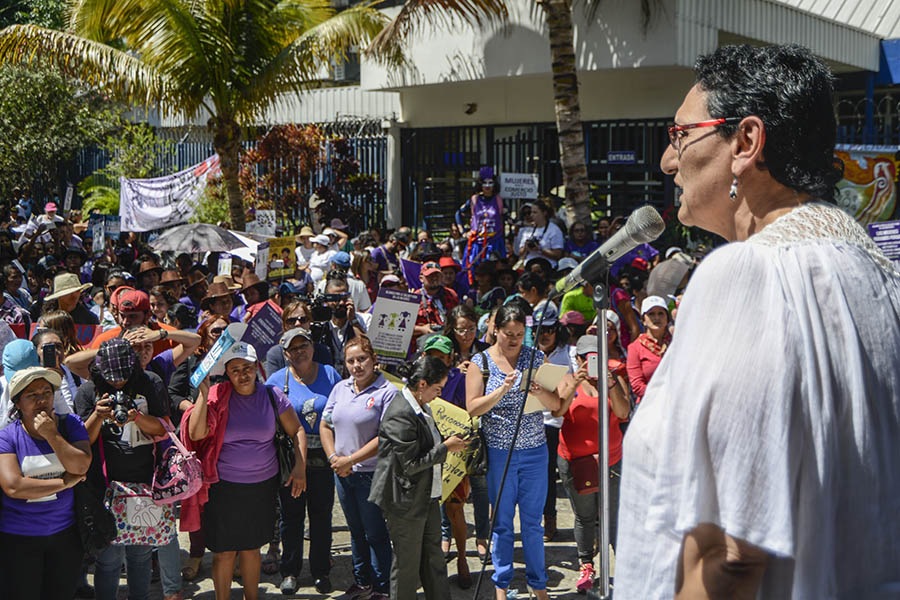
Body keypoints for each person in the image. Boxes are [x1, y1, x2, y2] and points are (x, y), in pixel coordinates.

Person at [615, 44, 900, 599]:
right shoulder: (883, 277)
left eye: (680, 136)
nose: (668, 162)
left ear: (745, 142)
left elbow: (730, 556)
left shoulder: (747, 276)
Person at [183, 342, 307, 600]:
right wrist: (204, 395)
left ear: (257, 368)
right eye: (235, 369)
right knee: (224, 551)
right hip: (224, 487)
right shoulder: (218, 395)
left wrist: (300, 466)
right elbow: (195, 433)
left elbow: (296, 430)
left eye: (248, 368)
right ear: (227, 372)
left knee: (252, 549)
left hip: (262, 486)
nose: (243, 374)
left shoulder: (272, 395)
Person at [465, 303, 562, 599]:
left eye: (520, 334)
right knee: (503, 523)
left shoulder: (535, 357)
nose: (514, 339)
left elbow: (556, 405)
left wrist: (538, 390)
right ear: (496, 330)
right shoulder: (479, 361)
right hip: (499, 452)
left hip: (535, 451)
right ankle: (501, 584)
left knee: (533, 524)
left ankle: (538, 585)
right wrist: (501, 391)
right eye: (508, 333)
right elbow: (472, 408)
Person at [73, 338, 169, 600]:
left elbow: (163, 429)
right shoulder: (88, 392)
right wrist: (97, 415)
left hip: (144, 483)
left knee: (140, 556)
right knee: (108, 558)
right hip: (104, 488)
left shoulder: (150, 382)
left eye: (123, 376)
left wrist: (136, 416)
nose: (118, 383)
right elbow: (82, 440)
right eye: (112, 378)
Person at [370, 355, 468, 600]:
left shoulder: (421, 405)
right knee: (407, 566)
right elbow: (411, 463)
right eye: (438, 388)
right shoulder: (400, 412)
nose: (440, 394)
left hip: (426, 495)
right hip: (404, 500)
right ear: (422, 384)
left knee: (434, 558)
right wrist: (446, 448)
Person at [0, 366, 91, 600]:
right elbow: (13, 486)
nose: (42, 400)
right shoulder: (7, 437)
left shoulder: (70, 425)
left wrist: (53, 435)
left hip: (64, 536)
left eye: (46, 392)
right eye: (32, 395)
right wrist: (64, 483)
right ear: (18, 403)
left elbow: (81, 466)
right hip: (19, 538)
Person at [266, 327, 342, 595]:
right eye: (293, 348)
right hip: (290, 458)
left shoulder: (330, 374)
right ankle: (290, 571)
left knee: (321, 515)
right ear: (285, 353)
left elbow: (340, 410)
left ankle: (321, 570)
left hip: (323, 455)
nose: (300, 352)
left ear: (312, 347)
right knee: (291, 516)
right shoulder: (275, 380)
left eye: (304, 346)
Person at [552, 335, 630, 593]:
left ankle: (626, 566)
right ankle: (586, 564)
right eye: (586, 357)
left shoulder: (614, 378)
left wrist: (610, 384)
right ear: (578, 358)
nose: (591, 362)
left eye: (596, 356)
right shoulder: (567, 380)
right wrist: (575, 381)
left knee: (614, 517)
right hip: (577, 462)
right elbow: (558, 412)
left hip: (612, 460)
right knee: (585, 517)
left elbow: (622, 413)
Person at [321, 336, 394, 600]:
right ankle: (362, 582)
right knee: (355, 531)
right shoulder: (340, 388)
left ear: (374, 359)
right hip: (342, 473)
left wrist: (349, 461)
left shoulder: (387, 390)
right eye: (351, 360)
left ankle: (382, 587)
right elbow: (325, 424)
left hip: (369, 473)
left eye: (361, 359)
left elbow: (385, 436)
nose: (356, 365)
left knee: (375, 532)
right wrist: (334, 459)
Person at [625, 296, 670, 405]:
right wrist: (662, 396)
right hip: (649, 405)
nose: (656, 318)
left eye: (660, 313)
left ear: (667, 319)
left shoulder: (676, 343)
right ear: (643, 320)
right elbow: (637, 385)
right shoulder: (635, 348)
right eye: (651, 314)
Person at [514, 200, 564, 269]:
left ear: (544, 213)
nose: (531, 215)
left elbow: (558, 255)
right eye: (531, 212)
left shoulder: (554, 230)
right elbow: (519, 252)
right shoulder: (528, 230)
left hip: (548, 267)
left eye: (535, 212)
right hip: (529, 266)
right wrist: (526, 247)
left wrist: (540, 250)